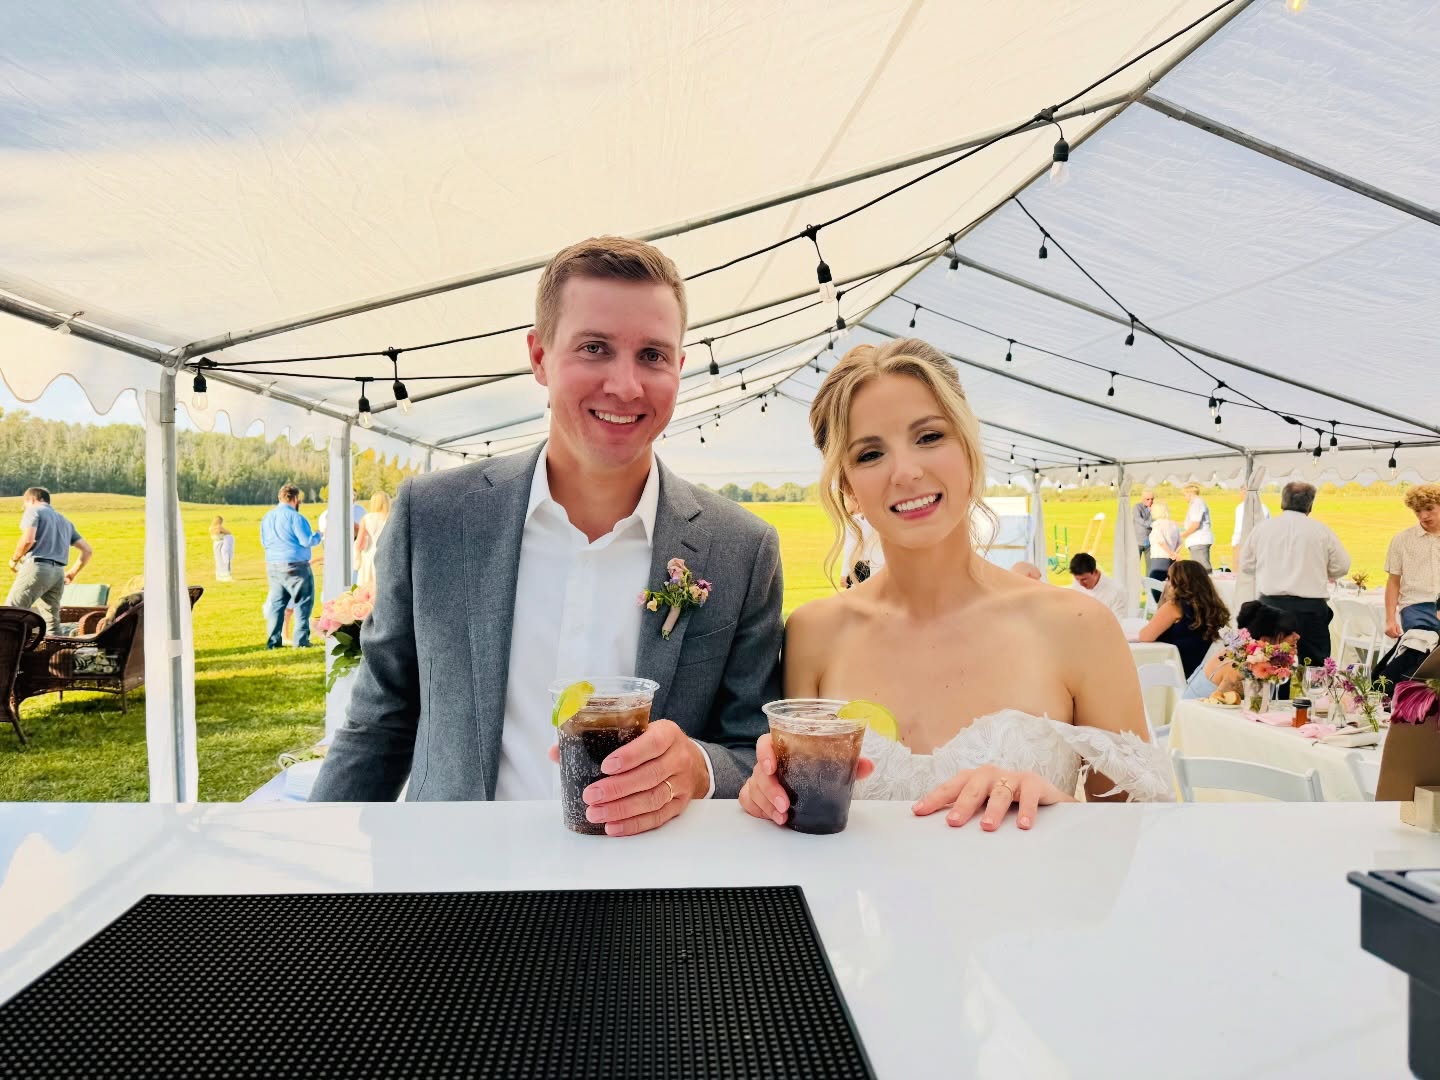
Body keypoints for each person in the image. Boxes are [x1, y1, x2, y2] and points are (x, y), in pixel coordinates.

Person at [311, 236, 783, 835]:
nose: (627, 385)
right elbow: (381, 720)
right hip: (458, 893)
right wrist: (314, 873)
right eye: (594, 348)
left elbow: (753, 748)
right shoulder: (434, 516)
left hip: (649, 902)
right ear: (539, 357)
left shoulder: (741, 548)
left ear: (680, 367)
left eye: (653, 356)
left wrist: (698, 766)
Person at [739, 338, 1172, 832]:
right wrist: (767, 798)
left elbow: (1143, 838)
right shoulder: (813, 634)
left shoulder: (1079, 626)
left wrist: (1056, 808)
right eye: (871, 453)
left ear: (969, 447)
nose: (907, 471)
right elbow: (805, 823)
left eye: (929, 437)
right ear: (847, 489)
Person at [1238, 481, 1349, 664]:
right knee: (1313, 664)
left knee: (1269, 663)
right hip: (1309, 609)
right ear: (1310, 505)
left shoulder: (1263, 529)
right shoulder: (1321, 531)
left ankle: (1276, 693)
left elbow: (1246, 564)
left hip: (1271, 605)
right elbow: (1342, 566)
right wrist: (1322, 571)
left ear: (1282, 502)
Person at [6, 487, 94, 634]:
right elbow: (87, 550)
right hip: (58, 573)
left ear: (32, 500)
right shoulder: (65, 521)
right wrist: (72, 573)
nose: (24, 508)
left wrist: (14, 559)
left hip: (37, 568)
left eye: (25, 504)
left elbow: (28, 539)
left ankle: (6, 654)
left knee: (10, 614)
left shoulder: (34, 510)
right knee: (52, 622)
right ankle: (56, 655)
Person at [1183, 600, 1300, 699]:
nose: (1297, 637)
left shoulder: (1242, 652)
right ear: (1266, 640)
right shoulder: (1242, 667)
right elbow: (1222, 708)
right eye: (1289, 633)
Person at [1136, 561, 1230, 677]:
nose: (1166, 581)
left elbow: (1145, 636)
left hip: (1178, 670)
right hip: (1205, 668)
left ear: (1178, 582)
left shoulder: (1174, 607)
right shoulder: (1211, 606)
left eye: (1169, 578)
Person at [259, 483, 322, 649]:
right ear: (295, 499)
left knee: (277, 604)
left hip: (273, 564)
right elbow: (306, 540)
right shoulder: (296, 517)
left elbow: (264, 541)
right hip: (296, 565)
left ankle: (273, 642)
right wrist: (319, 535)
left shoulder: (267, 517)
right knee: (303, 602)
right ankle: (301, 641)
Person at [1385, 482, 1440, 638]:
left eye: (1429, 508)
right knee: (1420, 649)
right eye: (1418, 511)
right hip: (1415, 608)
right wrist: (1390, 619)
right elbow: (1393, 581)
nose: (1423, 516)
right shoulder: (1401, 540)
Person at [1067, 552, 1127, 620]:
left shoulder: (1116, 591)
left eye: (1084, 579)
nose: (1081, 584)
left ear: (1095, 572)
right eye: (1077, 579)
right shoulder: (1077, 583)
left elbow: (1118, 622)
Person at [354, 491, 391, 591]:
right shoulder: (392, 518)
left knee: (368, 589)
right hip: (389, 555)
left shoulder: (367, 518)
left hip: (371, 555)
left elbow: (359, 543)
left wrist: (358, 556)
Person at [1179, 482, 1214, 570]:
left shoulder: (1197, 504)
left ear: (1190, 494)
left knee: (1201, 568)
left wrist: (1182, 535)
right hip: (1197, 541)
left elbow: (1195, 524)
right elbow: (1190, 523)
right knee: (1198, 568)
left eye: (1185, 495)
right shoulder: (1196, 503)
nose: (1184, 497)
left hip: (1199, 541)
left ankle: (1206, 583)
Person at [1147, 501, 1181, 580]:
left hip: (1159, 558)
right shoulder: (1174, 524)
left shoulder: (1157, 525)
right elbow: (1179, 542)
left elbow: (1161, 541)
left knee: (1156, 585)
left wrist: (1170, 553)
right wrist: (1174, 553)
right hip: (1172, 560)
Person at [1133, 488, 1154, 580]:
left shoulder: (1154, 508)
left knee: (1150, 566)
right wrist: (1151, 522)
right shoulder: (1137, 507)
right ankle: (1133, 584)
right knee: (1135, 565)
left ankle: (1148, 586)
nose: (1150, 501)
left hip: (1149, 541)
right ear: (1143, 499)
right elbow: (1141, 522)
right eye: (1148, 499)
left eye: (1152, 499)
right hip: (1137, 541)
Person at [209, 515, 235, 582]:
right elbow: (229, 532)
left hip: (215, 544)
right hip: (222, 544)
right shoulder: (219, 527)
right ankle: (226, 575)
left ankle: (219, 575)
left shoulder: (211, 528)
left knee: (218, 560)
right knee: (224, 559)